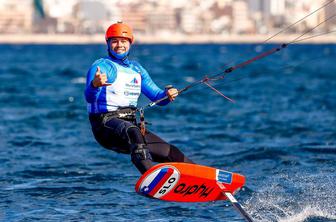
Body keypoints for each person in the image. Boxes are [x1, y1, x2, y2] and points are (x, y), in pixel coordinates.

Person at [84, 22, 193, 174]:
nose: (119, 45)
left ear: (130, 43)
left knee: (170, 152)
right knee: (134, 132)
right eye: (114, 41)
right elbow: (89, 98)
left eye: (123, 41)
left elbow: (157, 96)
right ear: (107, 43)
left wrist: (168, 95)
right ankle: (152, 179)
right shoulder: (101, 66)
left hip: (129, 124)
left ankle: (206, 178)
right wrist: (95, 85)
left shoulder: (136, 69)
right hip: (105, 126)